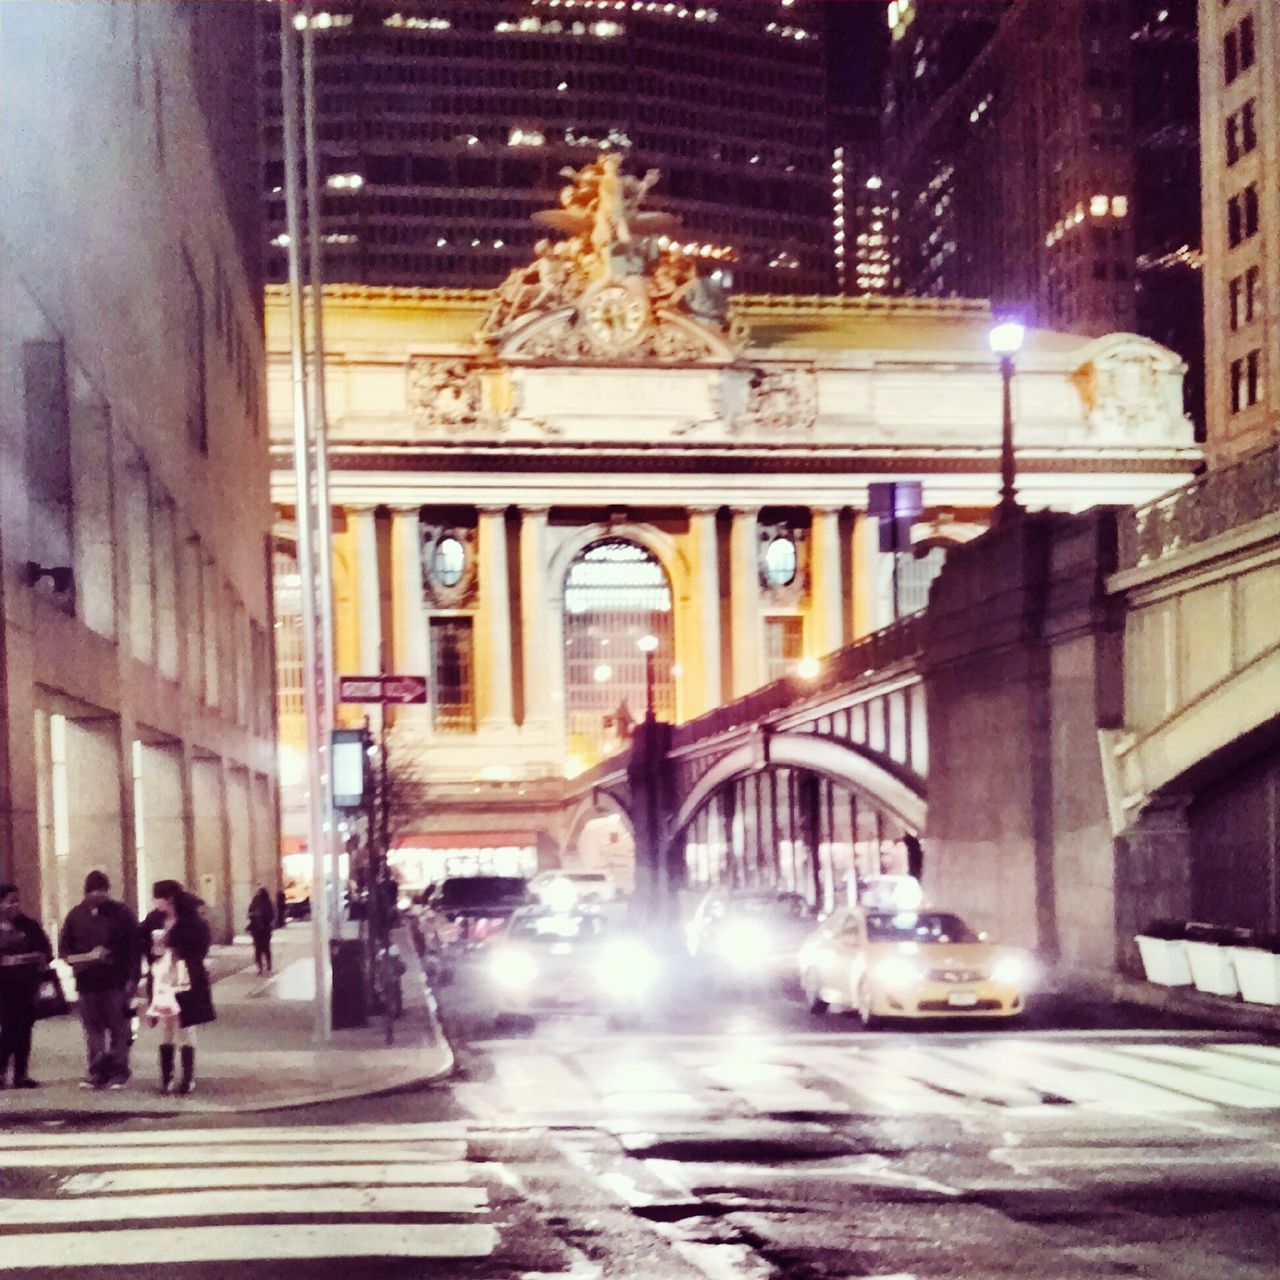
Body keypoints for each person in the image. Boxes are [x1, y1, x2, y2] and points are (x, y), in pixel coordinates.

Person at [59, 870, 139, 1090]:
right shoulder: (75, 916)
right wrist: (89, 957)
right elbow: (65, 952)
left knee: (118, 1028)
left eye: (102, 891)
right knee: (94, 1030)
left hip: (116, 981)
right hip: (87, 982)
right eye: (95, 892)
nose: (99, 896)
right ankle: (97, 1072)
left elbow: (134, 948)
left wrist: (133, 978)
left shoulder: (121, 914)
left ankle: (118, 1071)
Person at [146, 879, 214, 1096]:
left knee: (185, 1026)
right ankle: (166, 1077)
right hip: (162, 980)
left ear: (168, 899)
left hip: (185, 979)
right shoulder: (154, 920)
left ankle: (186, 1078)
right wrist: (153, 951)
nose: (154, 901)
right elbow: (140, 941)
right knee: (166, 1027)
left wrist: (175, 947)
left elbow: (200, 948)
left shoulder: (192, 922)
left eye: (157, 897)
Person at [0, 883, 53, 1089]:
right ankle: (2, 1070)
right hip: (4, 986)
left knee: (25, 1029)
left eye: (17, 901)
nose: (15, 906)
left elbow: (46, 951)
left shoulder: (29, 926)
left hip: (26, 985)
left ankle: (21, 1074)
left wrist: (35, 958)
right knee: (8, 1029)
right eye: (10, 902)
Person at [247, 887, 275, 976]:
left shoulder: (255, 902)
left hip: (257, 930)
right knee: (266, 948)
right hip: (265, 929)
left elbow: (250, 913)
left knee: (258, 949)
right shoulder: (267, 902)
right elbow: (271, 915)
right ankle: (268, 965)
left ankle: (260, 968)